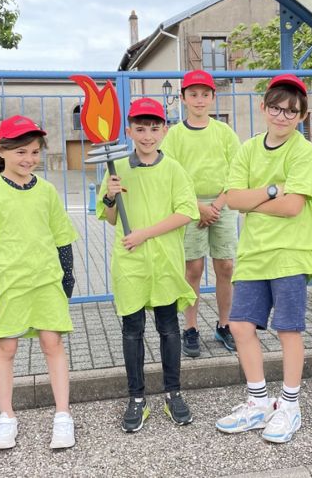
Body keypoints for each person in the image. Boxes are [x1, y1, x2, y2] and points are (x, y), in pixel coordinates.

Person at [215, 74, 312, 444]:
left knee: (288, 329)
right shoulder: (247, 149)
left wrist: (254, 199)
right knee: (241, 326)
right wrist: (273, 189)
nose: (282, 116)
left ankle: (289, 406)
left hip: (290, 254)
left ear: (302, 116)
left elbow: (294, 207)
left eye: (291, 111)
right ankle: (259, 402)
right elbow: (233, 199)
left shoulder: (303, 151)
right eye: (276, 108)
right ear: (264, 107)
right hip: (253, 253)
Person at [0, 114, 79, 450]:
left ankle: (62, 416)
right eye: (20, 152)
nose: (29, 159)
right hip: (8, 284)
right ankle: (6, 417)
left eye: (34, 152)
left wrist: (66, 280)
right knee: (6, 347)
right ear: (1, 150)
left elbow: (62, 238)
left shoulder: (47, 191)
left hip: (46, 282)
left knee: (52, 344)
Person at [96, 97, 200, 433]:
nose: (147, 135)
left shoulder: (174, 169)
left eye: (154, 128)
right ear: (129, 131)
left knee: (169, 329)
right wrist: (111, 197)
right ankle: (137, 399)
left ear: (164, 130)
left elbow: (186, 212)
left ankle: (173, 392)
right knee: (132, 331)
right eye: (140, 129)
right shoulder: (116, 169)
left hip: (165, 262)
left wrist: (144, 234)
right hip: (130, 264)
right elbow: (111, 219)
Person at [159, 69, 242, 357]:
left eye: (205, 94)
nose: (199, 99)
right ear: (182, 98)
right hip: (189, 207)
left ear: (213, 98)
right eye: (193, 94)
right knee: (193, 269)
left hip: (223, 204)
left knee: (226, 266)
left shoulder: (225, 133)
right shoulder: (174, 136)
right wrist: (197, 207)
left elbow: (237, 173)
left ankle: (224, 324)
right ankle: (191, 327)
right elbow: (171, 177)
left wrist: (217, 205)